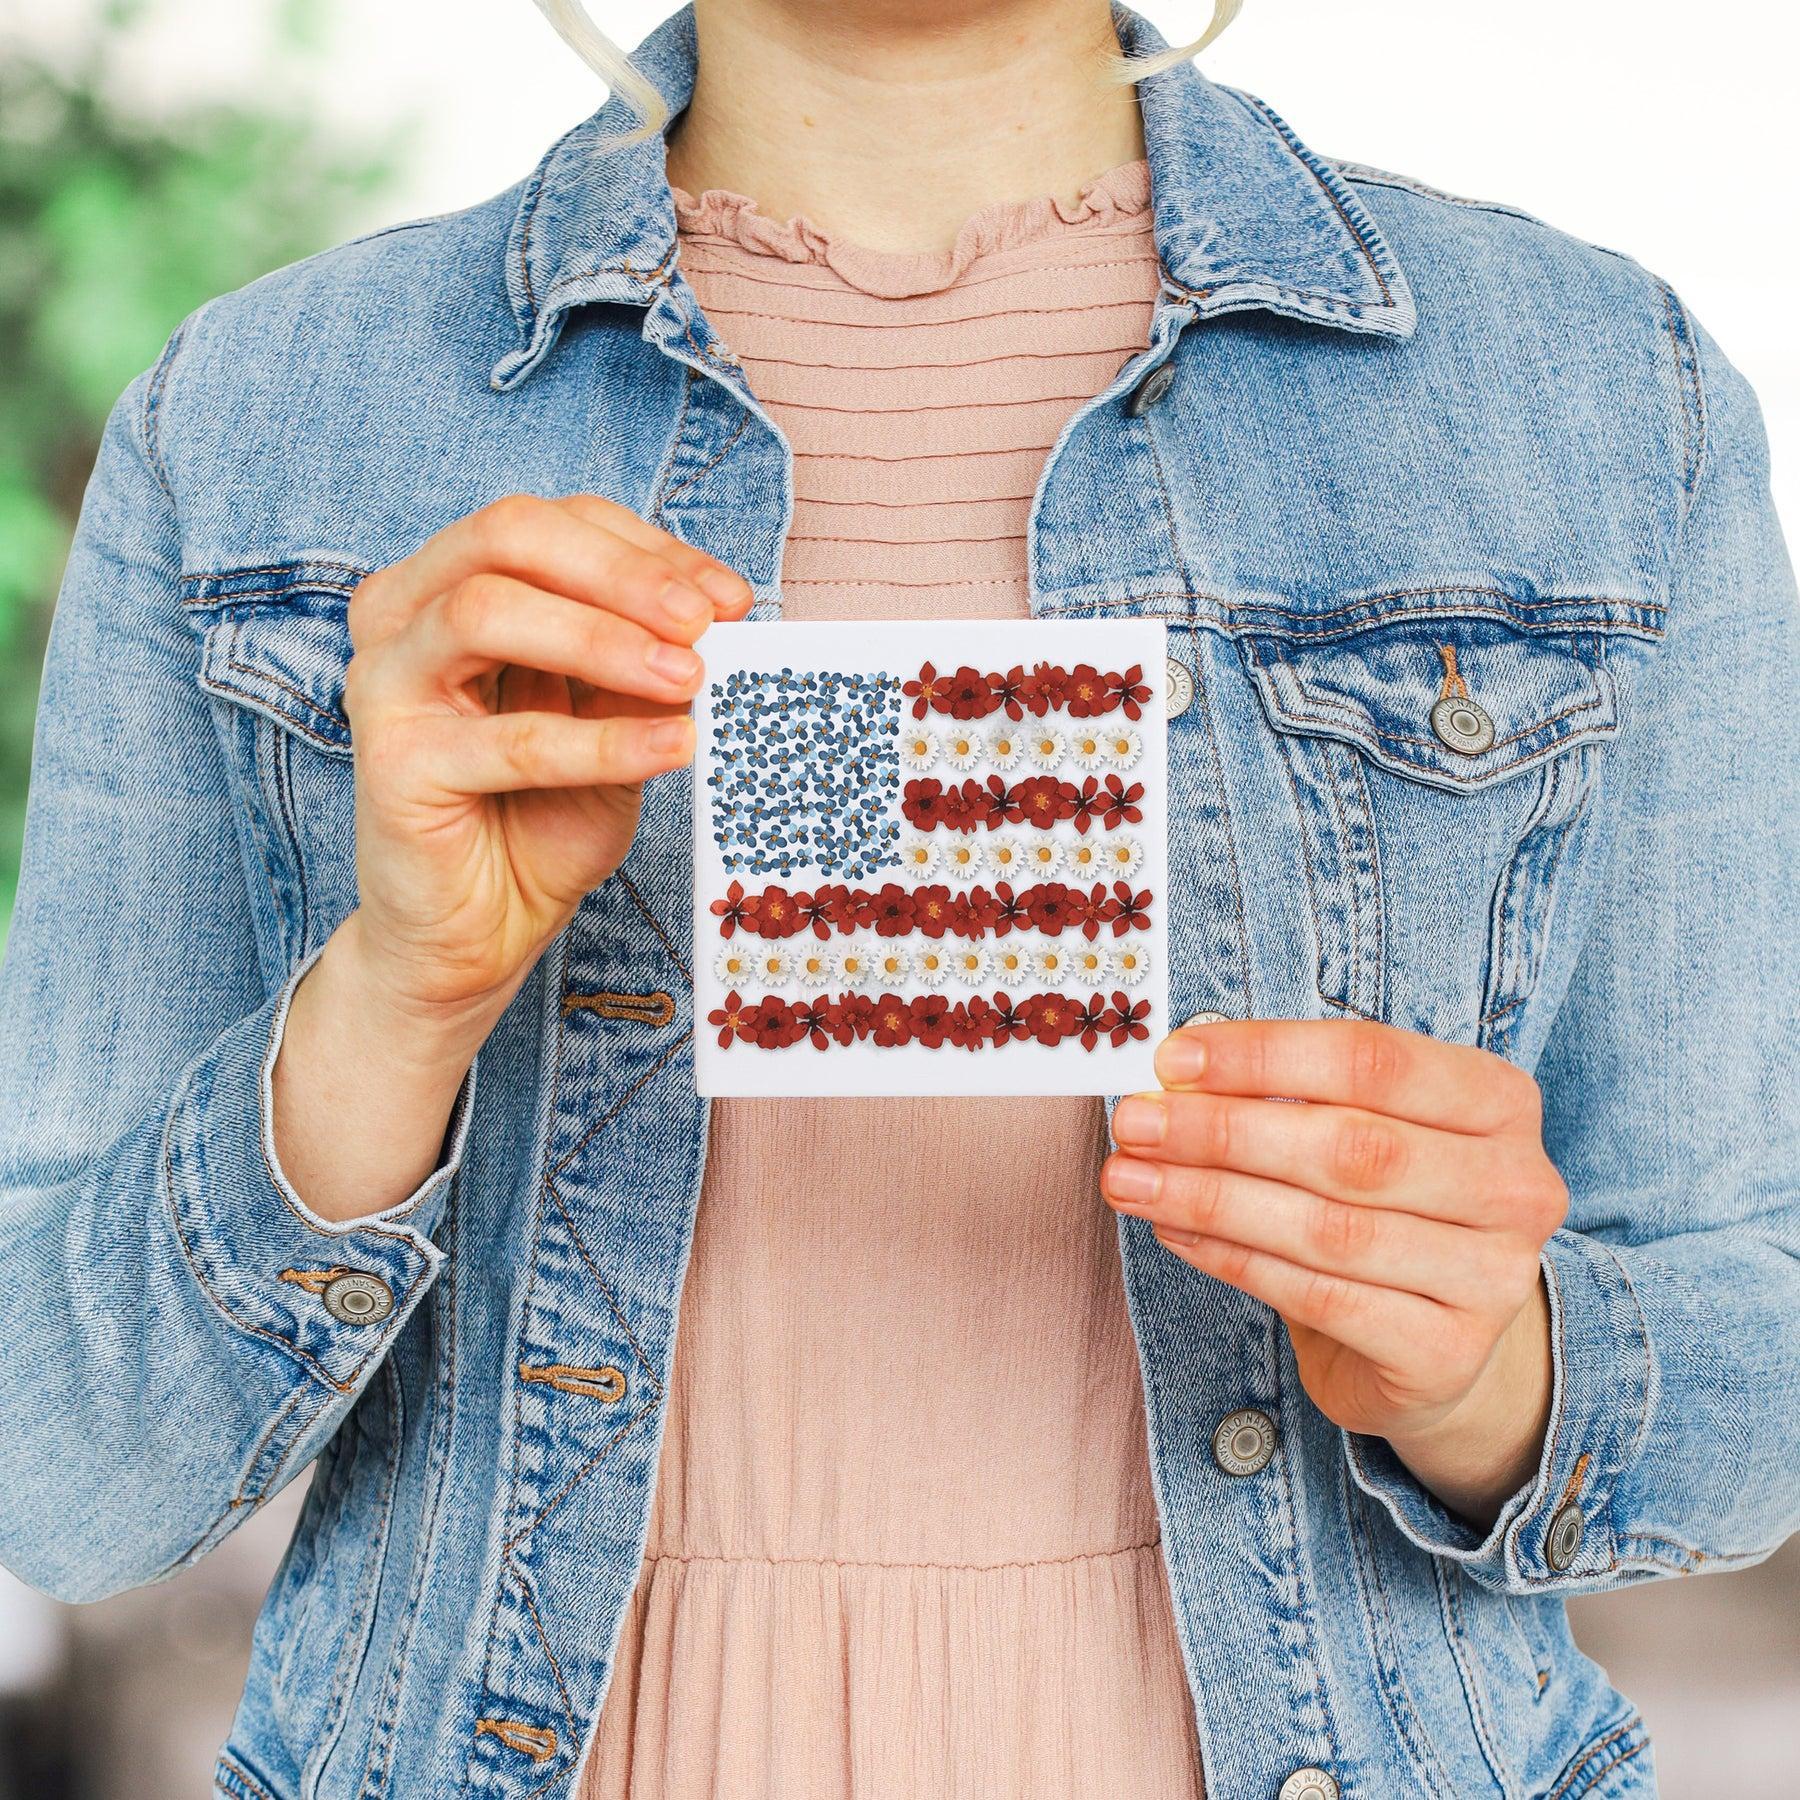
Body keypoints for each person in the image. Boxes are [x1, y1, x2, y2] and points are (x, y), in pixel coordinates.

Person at [2, 1, 1796, 1795]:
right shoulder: (246, 430)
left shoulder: (1609, 404)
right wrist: (395, 1002)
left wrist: (1495, 1372)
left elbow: (1760, 1366)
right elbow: (59, 1477)